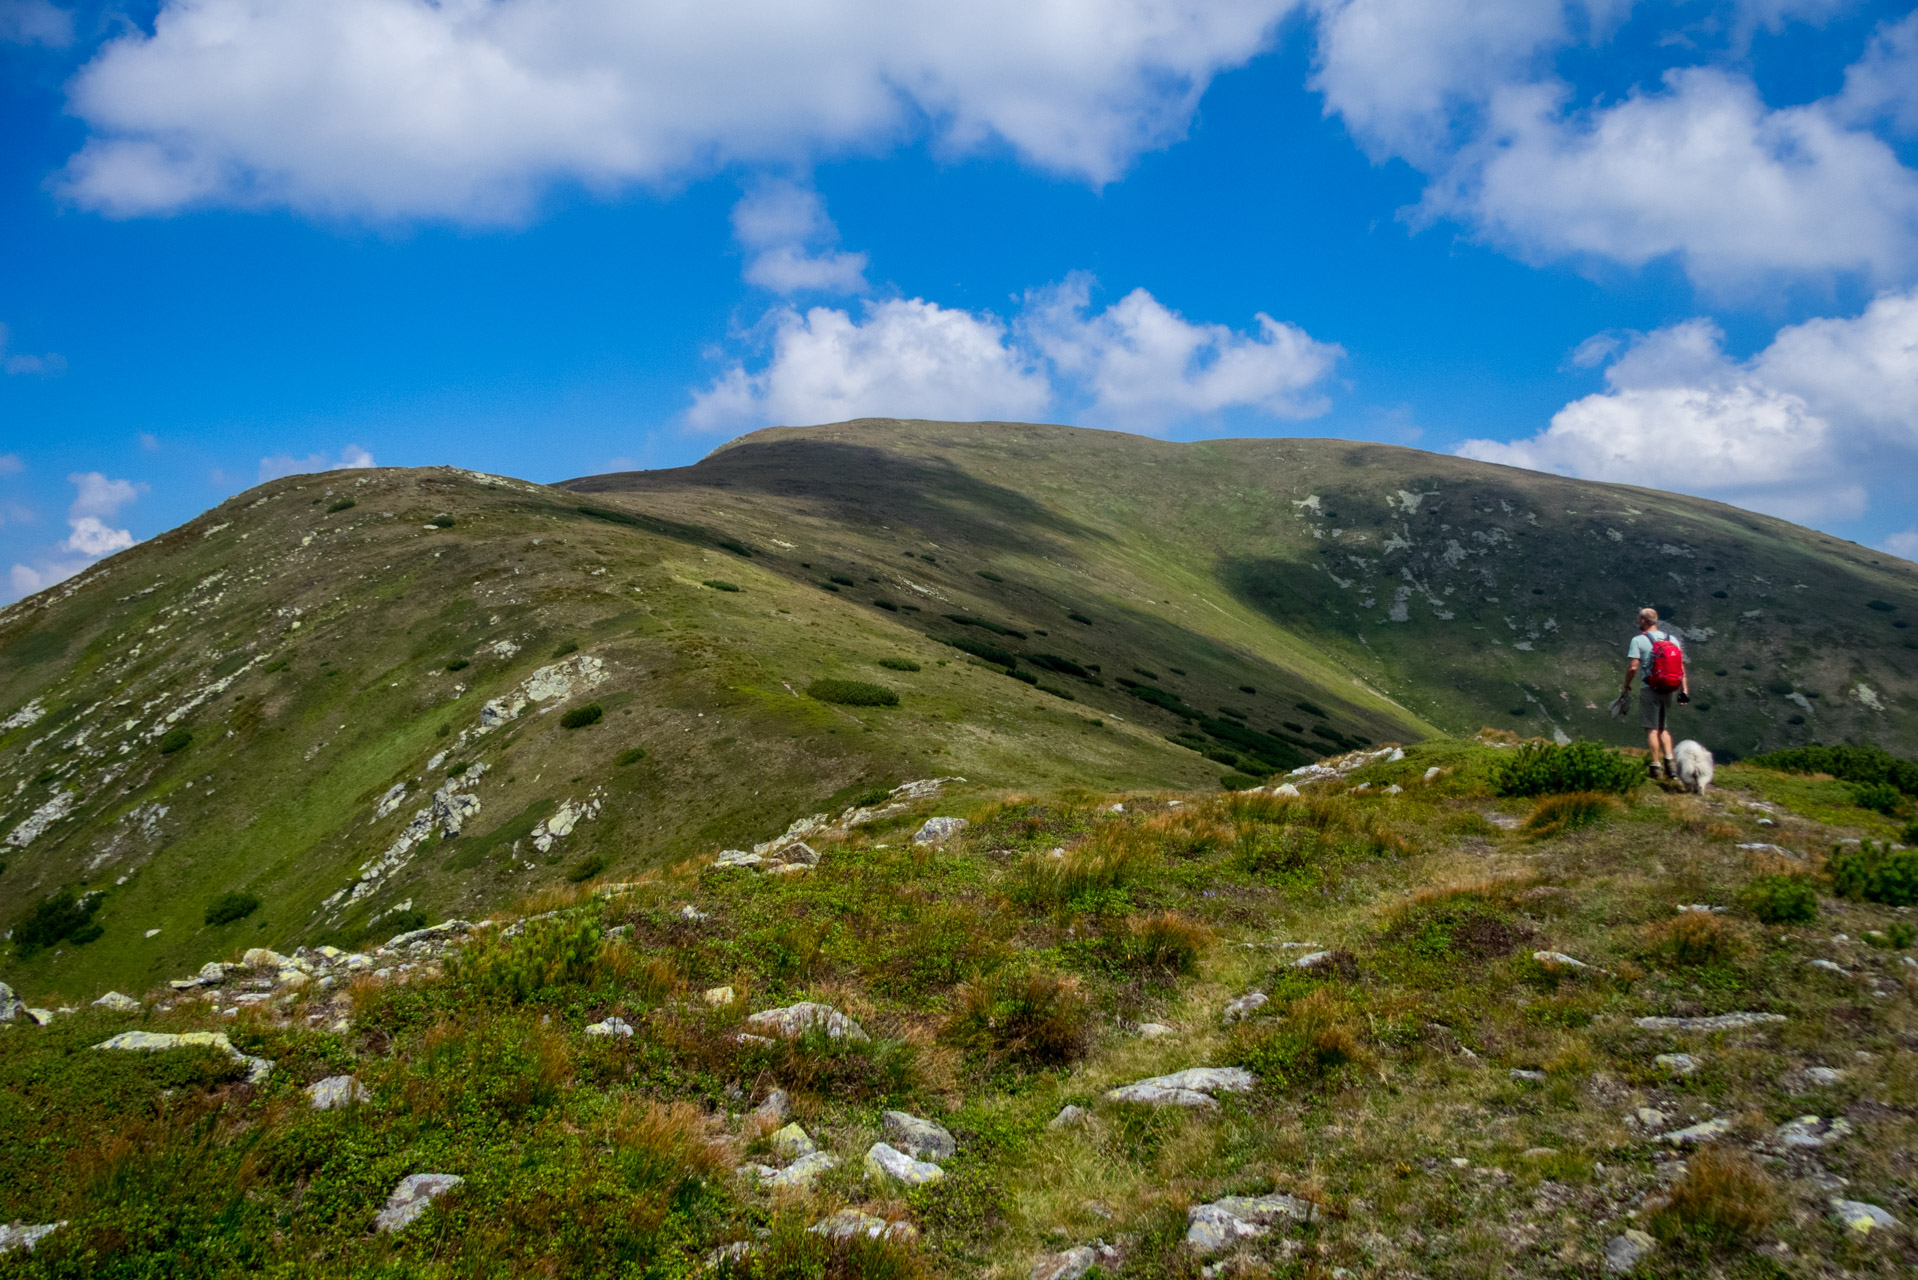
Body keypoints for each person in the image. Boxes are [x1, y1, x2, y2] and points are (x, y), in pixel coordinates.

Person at [1622, 607, 1689, 779]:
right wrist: (1684, 691)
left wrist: (1626, 685)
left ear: (1644, 620)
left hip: (1650, 689)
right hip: (1669, 689)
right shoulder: (1672, 639)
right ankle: (1671, 767)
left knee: (1651, 729)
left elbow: (1633, 667)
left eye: (1640, 619)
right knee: (1663, 729)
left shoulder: (1638, 640)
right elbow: (1680, 668)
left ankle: (1655, 767)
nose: (1639, 622)